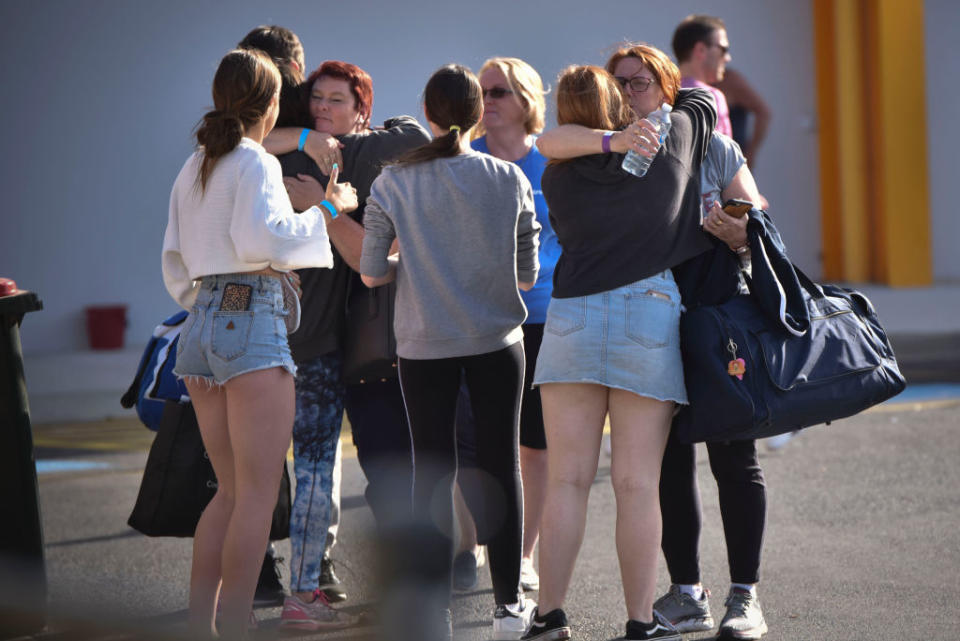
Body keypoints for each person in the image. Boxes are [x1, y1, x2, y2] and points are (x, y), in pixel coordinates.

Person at [537, 41, 771, 640]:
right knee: (638, 481)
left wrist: (741, 224)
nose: (630, 91)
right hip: (649, 312)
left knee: (573, 478)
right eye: (620, 83)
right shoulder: (662, 139)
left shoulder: (569, 165)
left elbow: (548, 142)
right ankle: (641, 621)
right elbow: (686, 101)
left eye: (641, 81)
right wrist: (619, 136)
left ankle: (551, 617)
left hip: (585, 315)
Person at [161, 48, 357, 638]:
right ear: (272, 105)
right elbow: (261, 238)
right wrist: (329, 205)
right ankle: (235, 626)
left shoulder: (198, 161)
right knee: (257, 493)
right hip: (249, 328)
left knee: (229, 491)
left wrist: (228, 288)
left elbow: (177, 260)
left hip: (199, 326)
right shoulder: (253, 162)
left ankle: (205, 625)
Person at [358, 64, 541, 641]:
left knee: (431, 474)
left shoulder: (392, 182)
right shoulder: (508, 178)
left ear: (429, 113)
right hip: (497, 342)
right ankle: (510, 608)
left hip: (424, 346)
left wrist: (412, 262)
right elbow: (528, 275)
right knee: (501, 465)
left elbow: (369, 273)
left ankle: (432, 610)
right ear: (475, 114)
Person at [267, 60, 431, 630]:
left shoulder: (358, 154)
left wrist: (332, 147)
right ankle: (297, 589)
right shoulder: (299, 151)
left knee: (308, 468)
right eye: (317, 99)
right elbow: (251, 136)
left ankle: (300, 587)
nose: (322, 109)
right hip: (292, 338)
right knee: (294, 469)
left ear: (361, 110)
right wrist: (315, 139)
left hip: (317, 340)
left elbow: (414, 135)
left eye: (337, 101)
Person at [451, 56, 555, 594]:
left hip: (541, 322)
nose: (487, 100)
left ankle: (523, 554)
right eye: (482, 91)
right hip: (477, 322)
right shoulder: (465, 161)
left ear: (526, 101)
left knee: (533, 447)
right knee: (469, 443)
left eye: (499, 92)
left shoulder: (554, 163)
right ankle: (467, 549)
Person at [672, 14, 733, 138]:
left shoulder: (659, 93)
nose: (727, 58)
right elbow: (723, 155)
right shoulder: (712, 97)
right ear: (701, 50)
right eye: (723, 49)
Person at [712, 68, 772, 168]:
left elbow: (763, 113)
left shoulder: (729, 80)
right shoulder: (686, 80)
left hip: (731, 164)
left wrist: (750, 152)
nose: (726, 58)